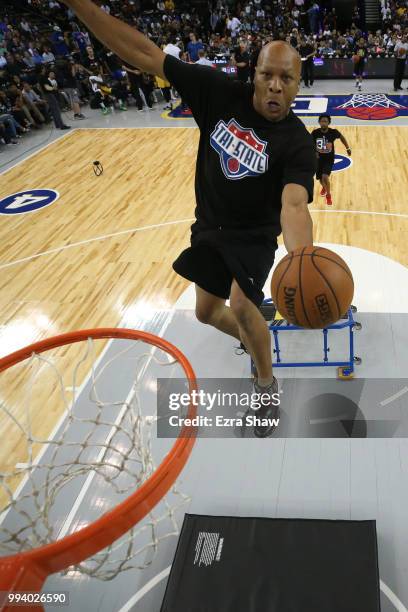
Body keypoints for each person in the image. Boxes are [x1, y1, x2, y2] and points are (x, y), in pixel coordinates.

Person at [57, 0, 316, 438]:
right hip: (210, 226)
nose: (274, 86)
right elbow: (145, 54)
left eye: (285, 79)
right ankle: (256, 340)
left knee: (241, 304)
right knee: (206, 313)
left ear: (296, 85)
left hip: (253, 237)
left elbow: (294, 205)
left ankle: (267, 384)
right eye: (266, 75)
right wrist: (81, 6)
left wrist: (302, 259)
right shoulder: (217, 91)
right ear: (252, 73)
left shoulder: (297, 143)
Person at [311, 114, 351, 207]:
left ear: (329, 123)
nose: (323, 123)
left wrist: (347, 148)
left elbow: (342, 137)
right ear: (319, 122)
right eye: (322, 121)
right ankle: (324, 188)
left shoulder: (333, 132)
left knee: (325, 177)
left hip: (329, 159)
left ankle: (328, 195)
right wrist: (314, 152)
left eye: (325, 121)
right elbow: (309, 142)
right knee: (320, 179)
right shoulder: (315, 133)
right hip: (318, 160)